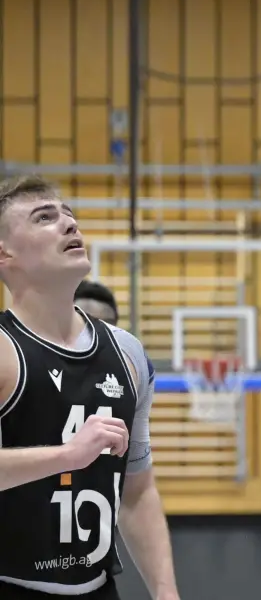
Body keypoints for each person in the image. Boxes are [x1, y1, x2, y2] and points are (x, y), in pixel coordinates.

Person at [0, 175, 177, 600]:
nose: (68, 224)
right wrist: (67, 456)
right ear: (5, 255)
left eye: (70, 215)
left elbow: (137, 491)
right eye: (44, 218)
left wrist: (166, 592)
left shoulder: (127, 353)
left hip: (98, 589)